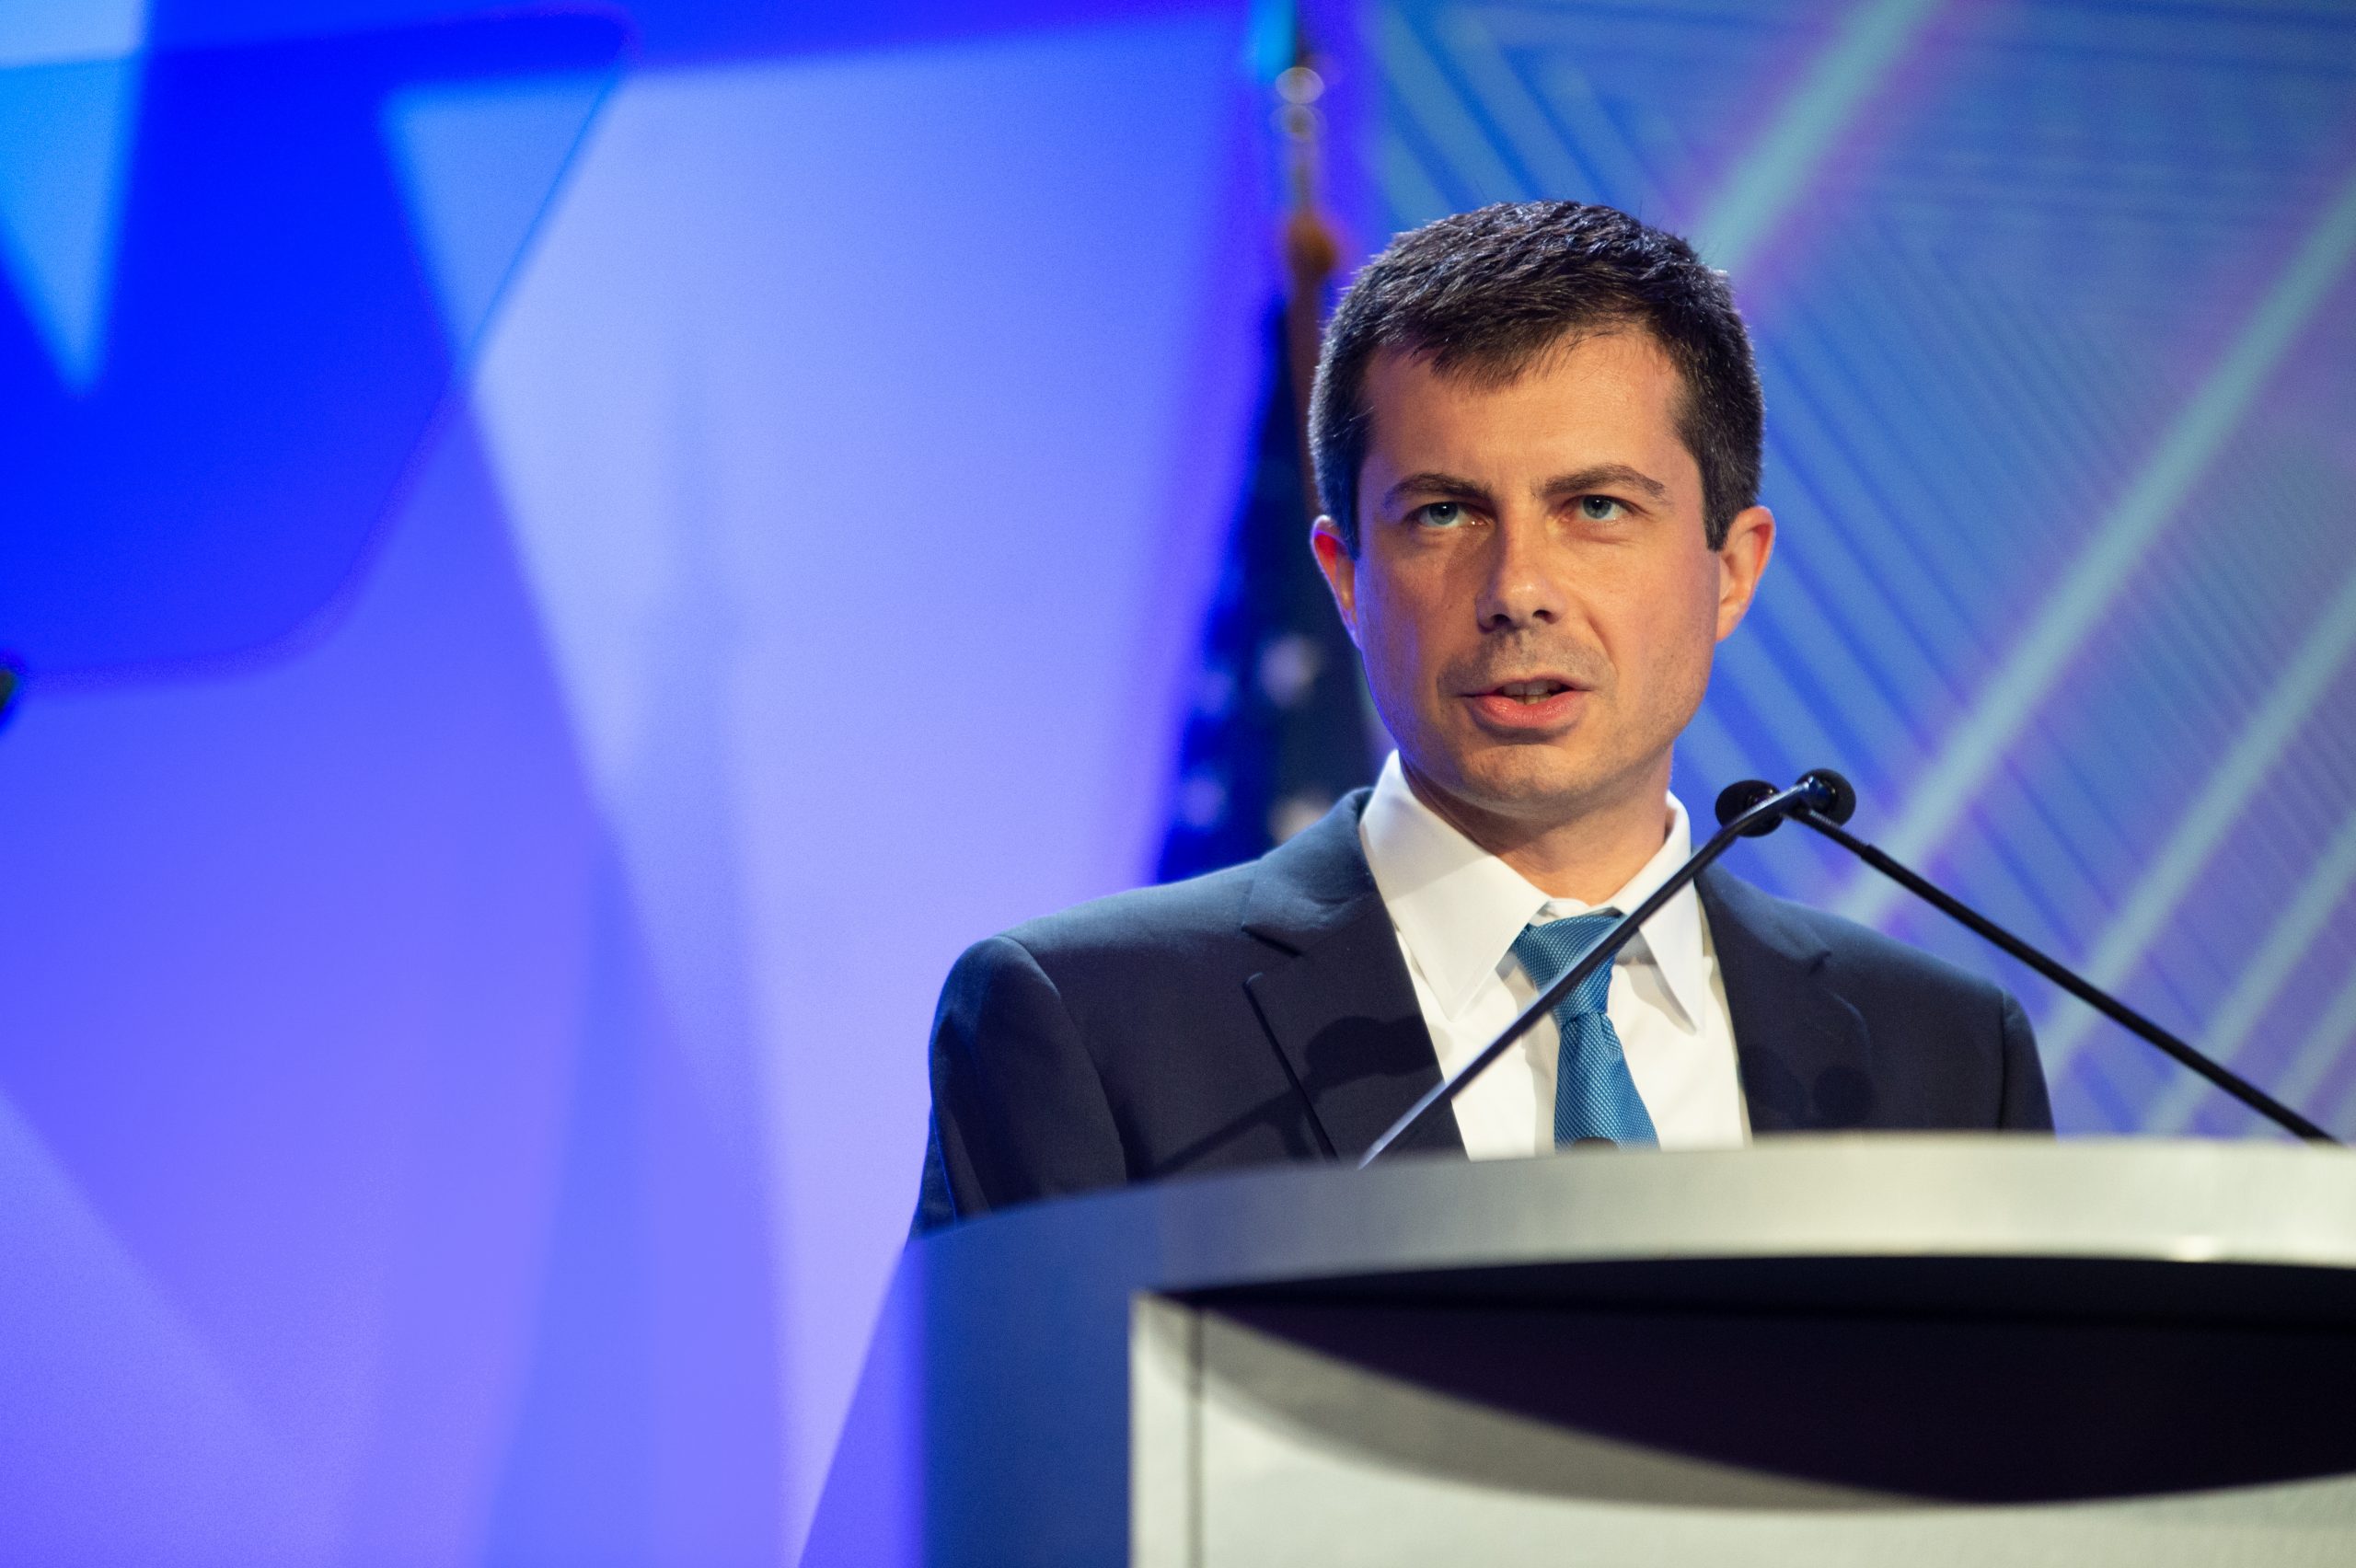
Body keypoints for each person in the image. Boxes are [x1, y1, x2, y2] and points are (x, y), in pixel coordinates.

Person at [914, 201, 2050, 1233]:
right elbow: (1002, 1461)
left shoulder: (1941, 1056)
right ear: (1346, 577)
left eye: (1596, 506)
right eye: (1446, 514)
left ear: (1733, 570)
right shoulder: (1091, 1025)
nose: (1518, 589)